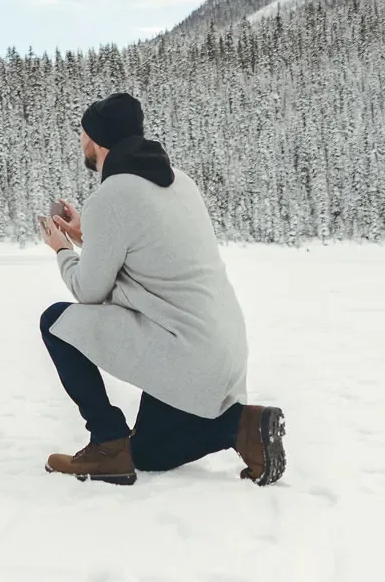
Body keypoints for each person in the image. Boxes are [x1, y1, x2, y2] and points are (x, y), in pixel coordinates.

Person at [38, 93, 286, 486]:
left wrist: (63, 251)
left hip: (186, 350)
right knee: (150, 454)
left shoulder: (112, 195)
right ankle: (242, 426)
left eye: (83, 134)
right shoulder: (178, 180)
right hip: (221, 349)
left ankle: (107, 444)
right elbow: (148, 254)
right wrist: (90, 234)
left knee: (55, 322)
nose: (81, 142)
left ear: (98, 140)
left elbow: (88, 291)